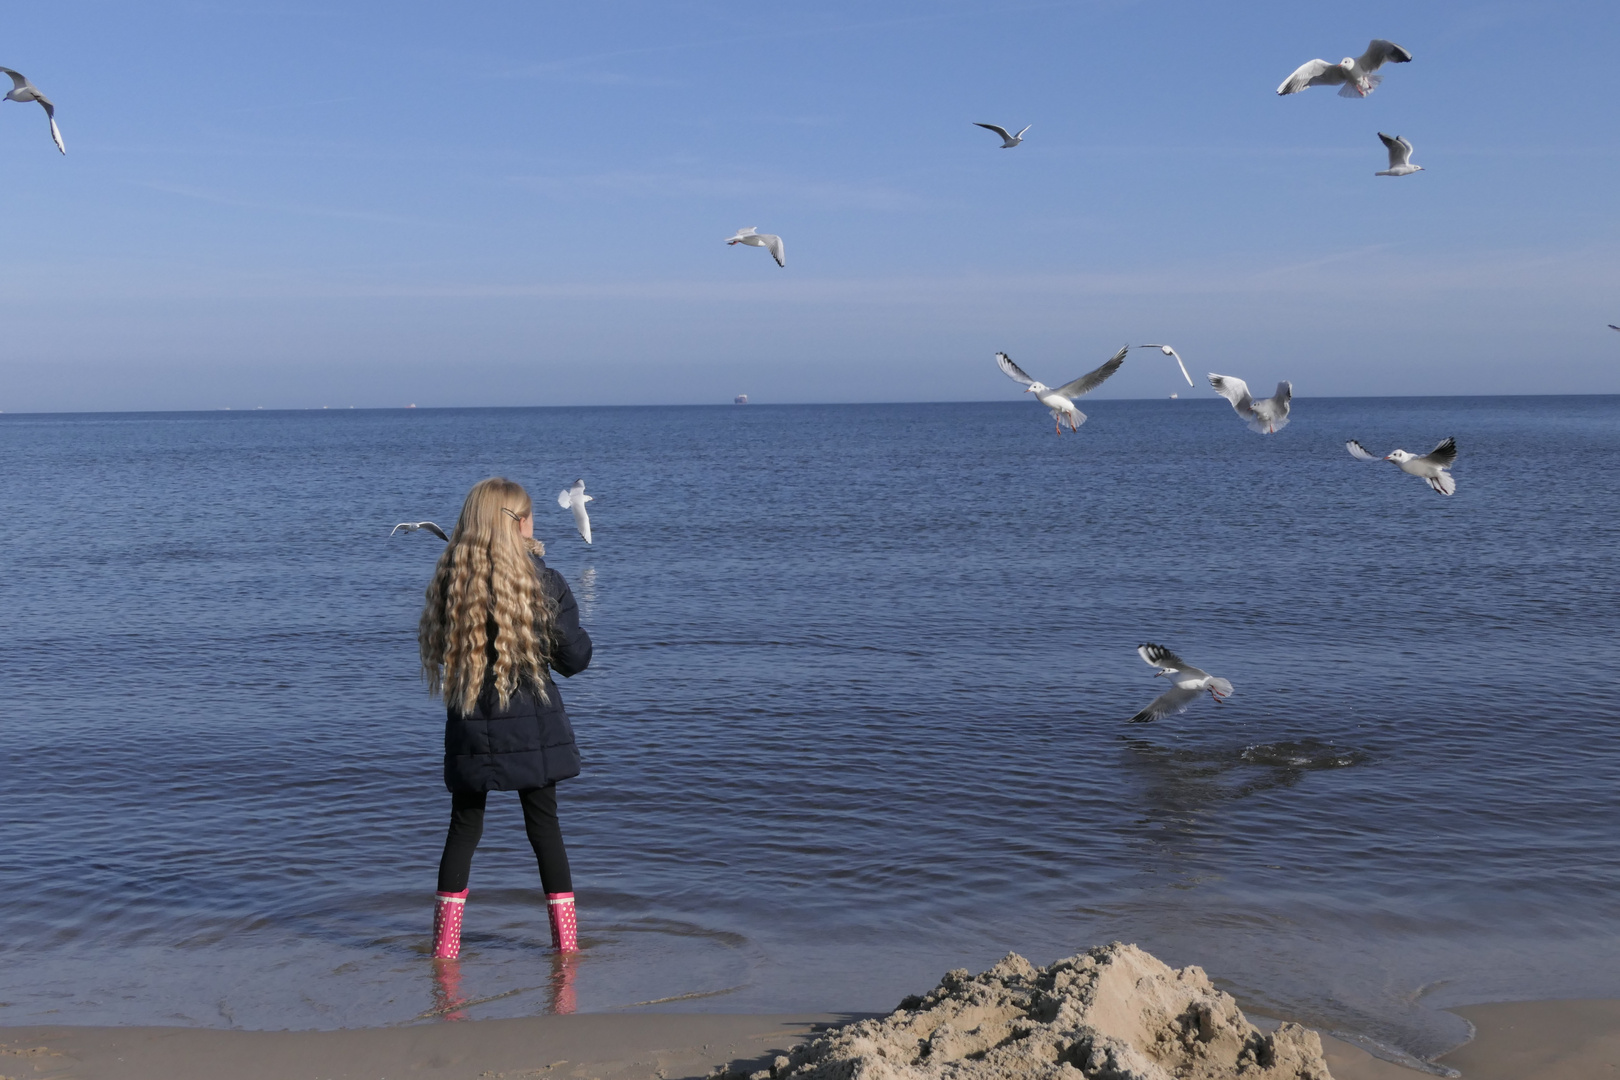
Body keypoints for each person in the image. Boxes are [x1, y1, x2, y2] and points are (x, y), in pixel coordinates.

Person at [417, 477, 593, 960]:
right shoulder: (541, 581)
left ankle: (444, 951)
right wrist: (538, 570)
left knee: (463, 828)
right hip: (532, 724)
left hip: (470, 722)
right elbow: (574, 659)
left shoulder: (453, 581)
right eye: (530, 516)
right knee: (545, 830)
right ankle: (566, 949)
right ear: (517, 524)